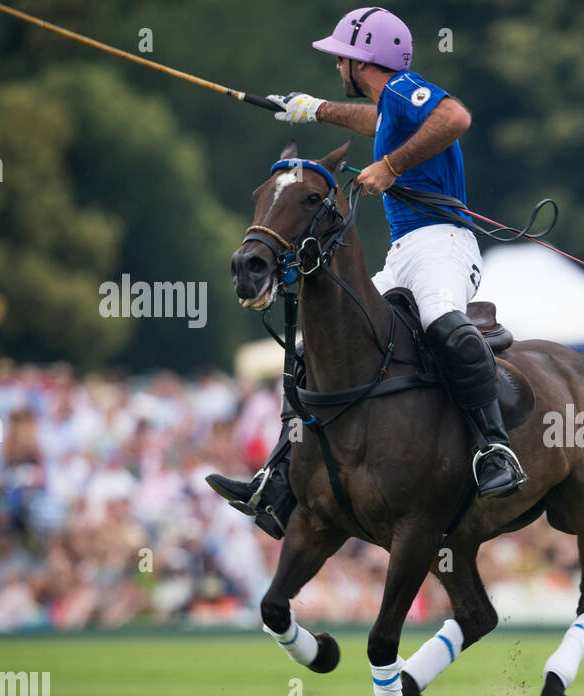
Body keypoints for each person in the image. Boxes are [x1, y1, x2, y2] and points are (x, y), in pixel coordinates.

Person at [208, 6, 525, 539]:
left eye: (341, 58)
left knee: (444, 323)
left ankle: (495, 449)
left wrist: (393, 166)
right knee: (317, 349)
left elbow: (456, 118)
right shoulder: (391, 108)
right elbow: (376, 124)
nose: (337, 66)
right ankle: (279, 476)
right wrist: (314, 111)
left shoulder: (405, 88)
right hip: (403, 250)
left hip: (444, 244)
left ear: (363, 61)